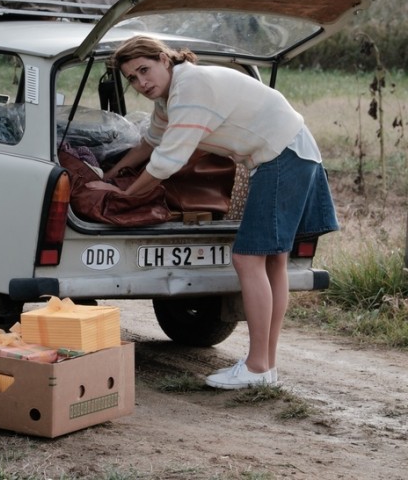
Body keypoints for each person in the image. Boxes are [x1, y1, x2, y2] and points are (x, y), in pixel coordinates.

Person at [87, 35, 339, 389]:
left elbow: (165, 163)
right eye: (132, 78)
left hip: (283, 155)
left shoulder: (191, 89)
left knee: (249, 259)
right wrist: (111, 173)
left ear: (164, 59)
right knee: (273, 260)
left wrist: (123, 196)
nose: (142, 83)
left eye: (145, 70)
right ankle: (265, 367)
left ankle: (257, 368)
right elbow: (150, 143)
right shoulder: (170, 96)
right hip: (289, 151)